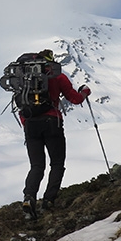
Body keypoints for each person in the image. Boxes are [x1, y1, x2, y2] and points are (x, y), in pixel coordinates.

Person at [21, 49, 91, 219]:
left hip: (31, 126)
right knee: (57, 164)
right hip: (53, 123)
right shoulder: (58, 76)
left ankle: (29, 198)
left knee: (37, 166)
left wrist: (27, 126)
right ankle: (48, 201)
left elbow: (22, 107)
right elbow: (75, 99)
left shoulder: (24, 80)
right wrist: (85, 92)